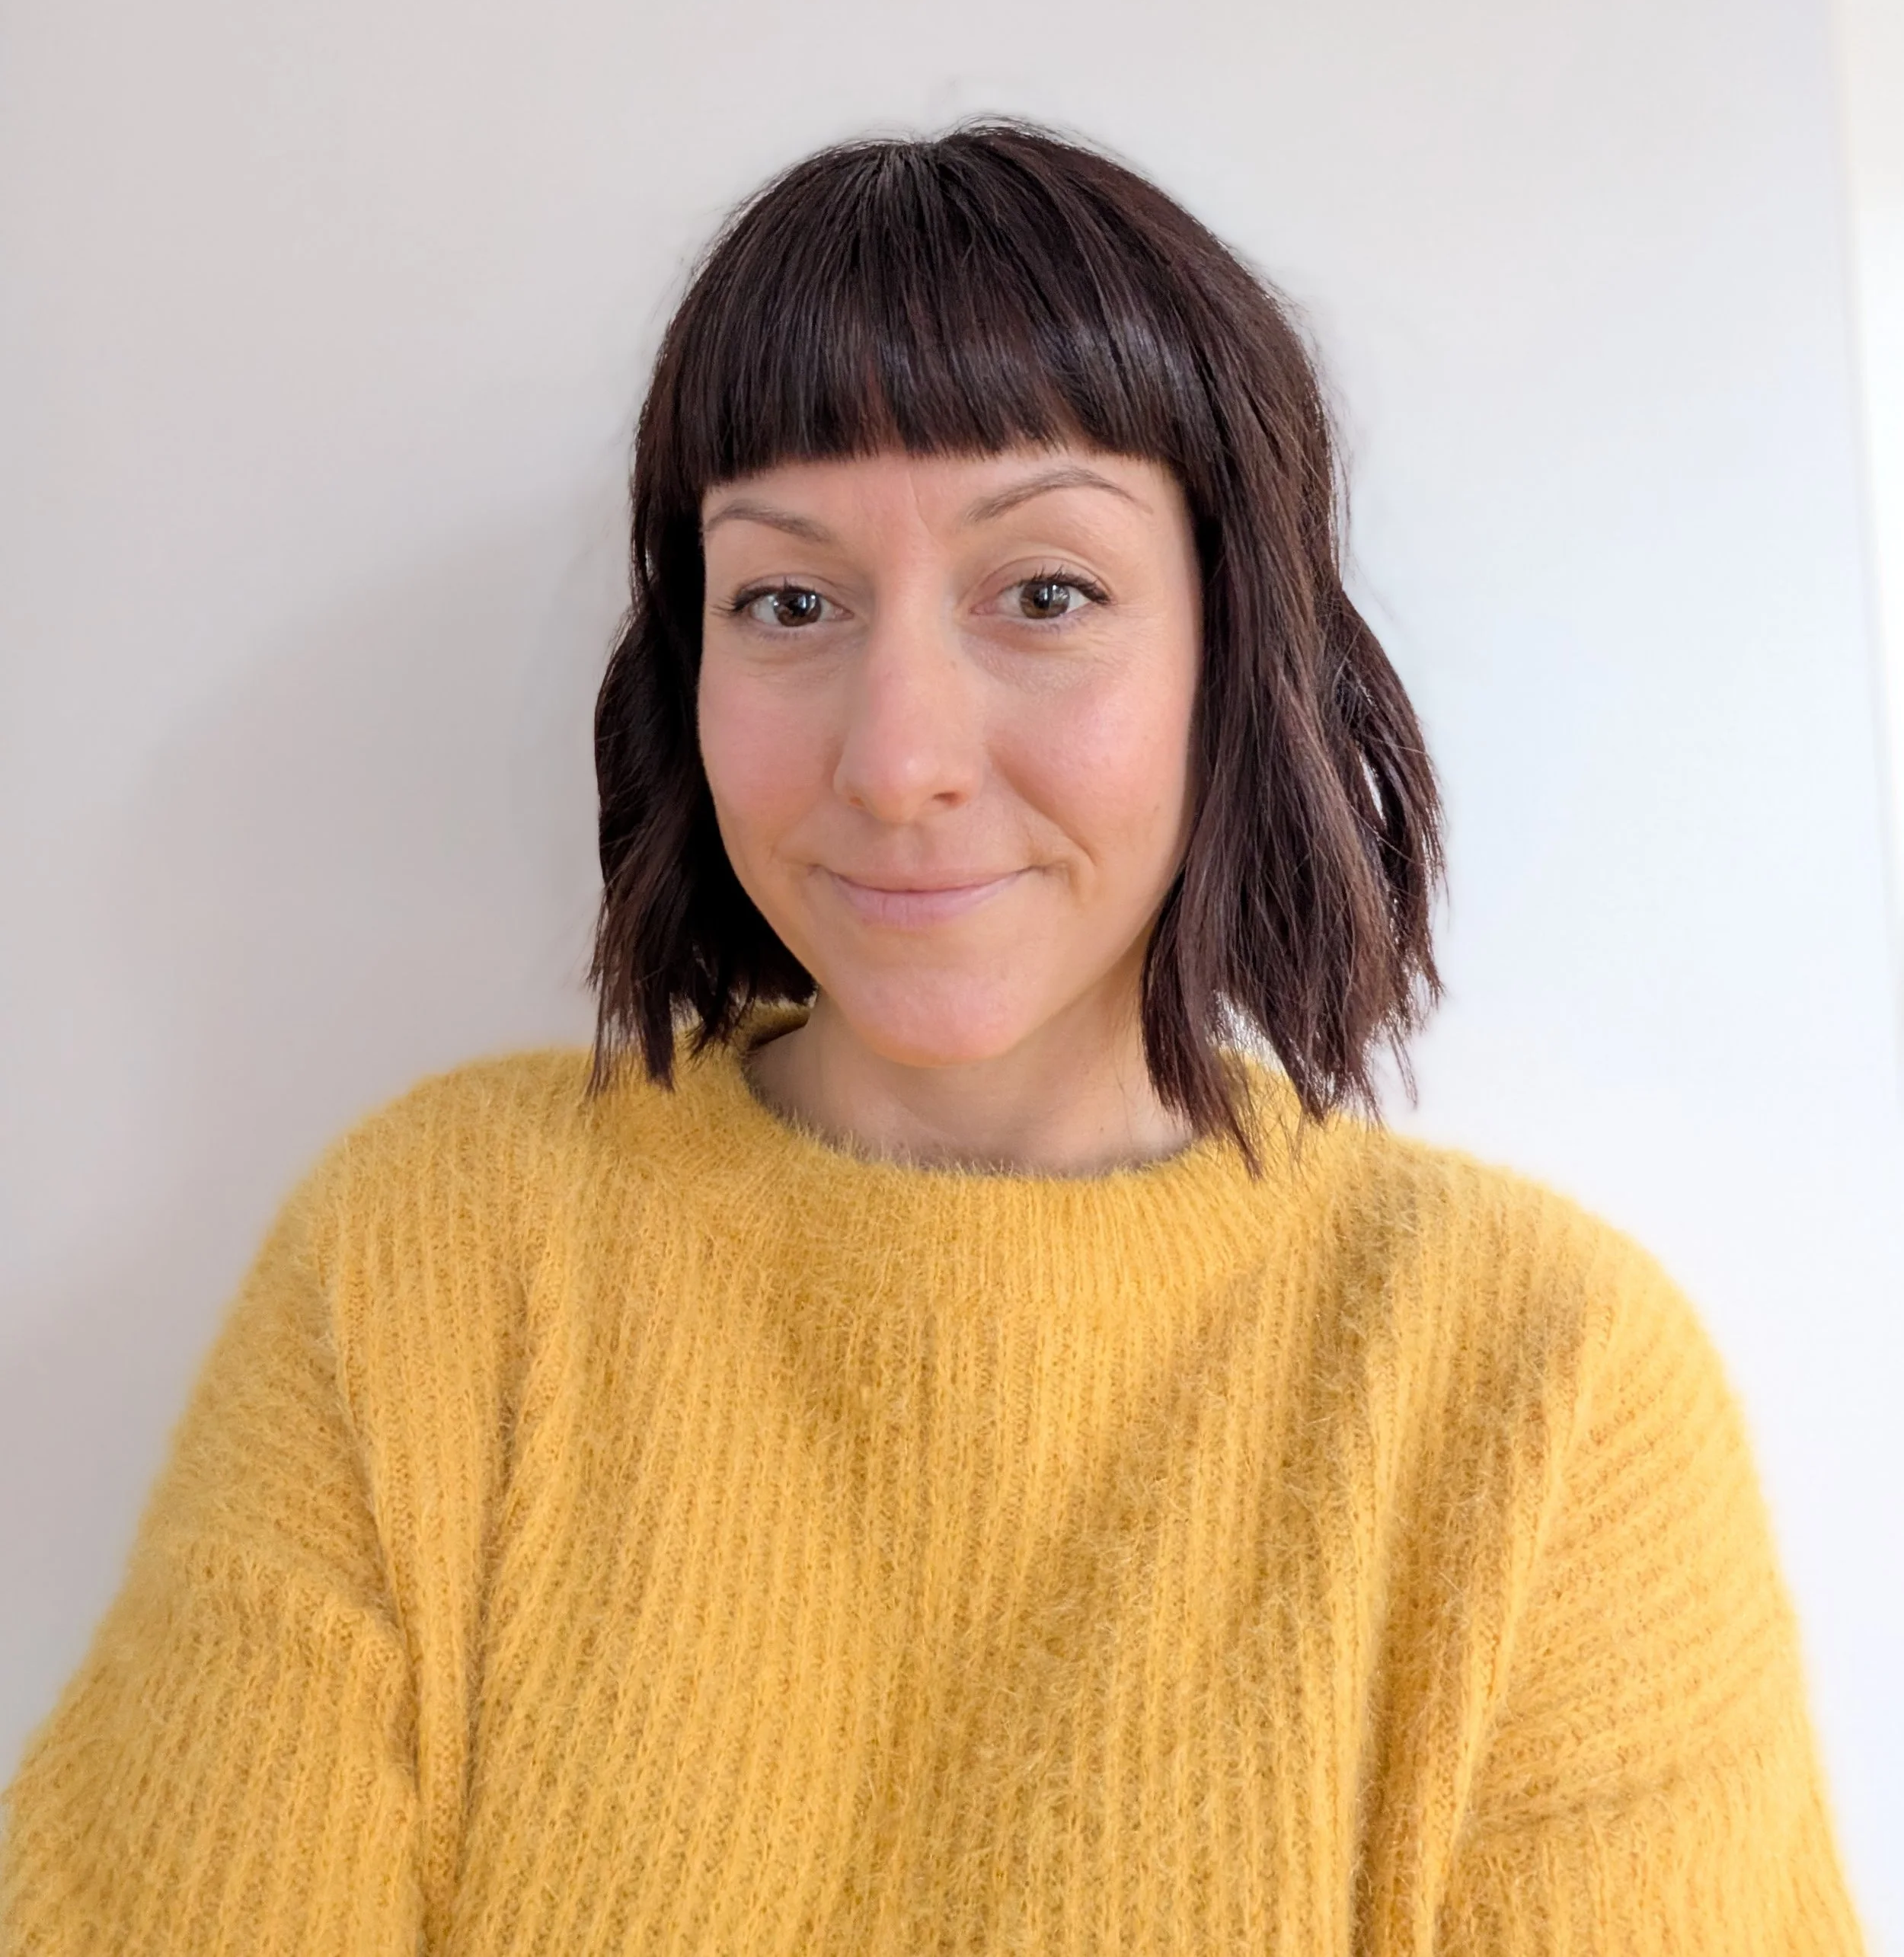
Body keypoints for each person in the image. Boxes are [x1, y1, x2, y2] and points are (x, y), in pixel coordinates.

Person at [0, 122, 1867, 1953]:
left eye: (1042, 591)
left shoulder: (1541, 1392)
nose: (898, 762)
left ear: (1237, 644)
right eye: (787, 599)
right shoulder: (422, 1266)